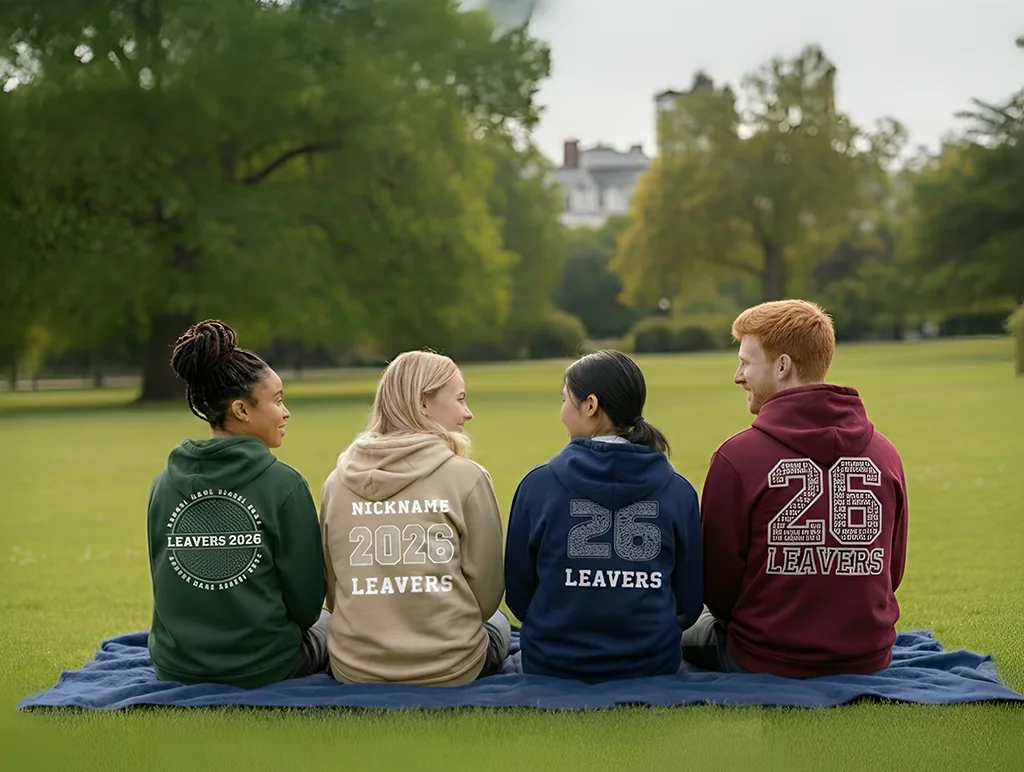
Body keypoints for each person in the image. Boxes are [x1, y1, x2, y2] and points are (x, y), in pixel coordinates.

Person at [682, 300, 909, 678]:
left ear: (783, 366)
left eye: (746, 363)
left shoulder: (736, 456)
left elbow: (717, 590)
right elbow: (892, 572)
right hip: (868, 658)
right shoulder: (885, 453)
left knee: (676, 626)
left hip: (764, 658)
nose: (738, 376)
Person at [146, 319, 329, 689]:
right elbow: (308, 605)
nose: (286, 411)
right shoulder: (285, 485)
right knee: (336, 624)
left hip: (176, 665)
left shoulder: (162, 485)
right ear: (242, 410)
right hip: (266, 665)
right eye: (277, 400)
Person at [504, 350, 703, 682]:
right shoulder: (678, 491)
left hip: (553, 663)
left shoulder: (537, 485)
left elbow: (519, 596)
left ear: (591, 405)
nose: (562, 412)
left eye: (565, 400)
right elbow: (690, 601)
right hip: (651, 664)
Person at [320, 350, 510, 686]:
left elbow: (334, 595)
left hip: (354, 669)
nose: (468, 413)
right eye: (461, 399)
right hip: (451, 668)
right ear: (424, 403)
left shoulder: (336, 483)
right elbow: (487, 597)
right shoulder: (467, 478)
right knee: (498, 620)